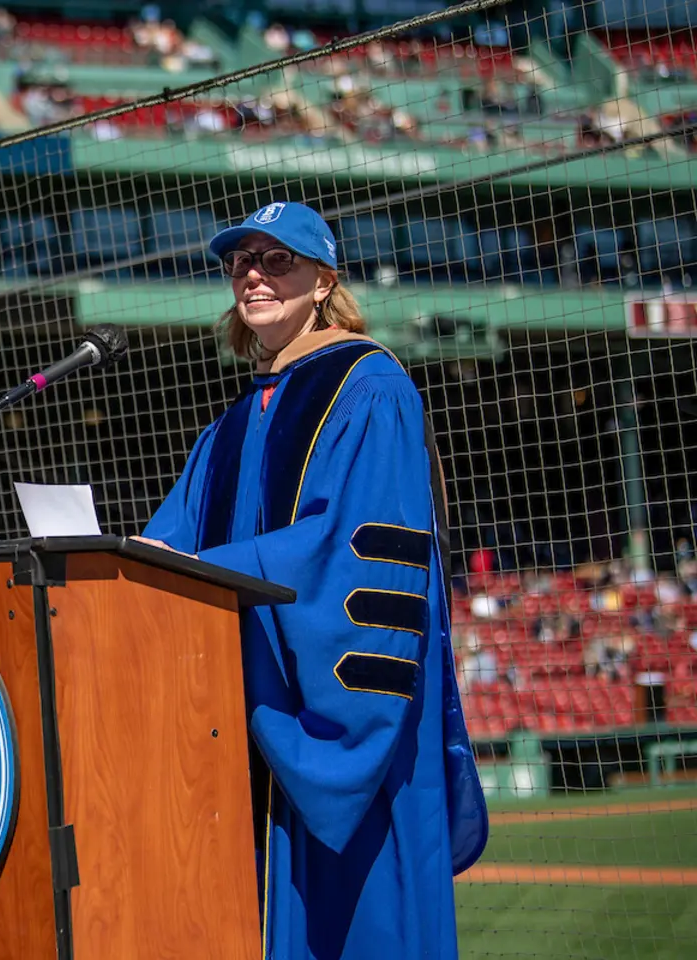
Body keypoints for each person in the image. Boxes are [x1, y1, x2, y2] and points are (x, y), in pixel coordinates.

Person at [137, 201, 488, 960]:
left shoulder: (371, 386)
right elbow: (168, 547)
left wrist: (216, 570)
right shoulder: (230, 424)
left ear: (325, 280)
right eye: (241, 262)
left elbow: (350, 552)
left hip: (335, 713)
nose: (253, 274)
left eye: (277, 260)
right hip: (247, 726)